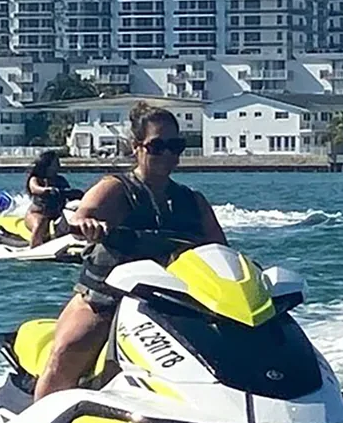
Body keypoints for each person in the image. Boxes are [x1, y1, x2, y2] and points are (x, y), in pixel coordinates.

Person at [33, 102, 226, 401]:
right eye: (157, 146)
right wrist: (88, 225)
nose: (167, 155)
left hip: (174, 304)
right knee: (70, 350)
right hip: (107, 298)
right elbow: (82, 213)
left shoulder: (192, 201)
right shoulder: (116, 188)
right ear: (136, 148)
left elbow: (220, 250)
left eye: (175, 146)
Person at [24, 150, 81, 248]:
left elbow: (67, 191)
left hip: (56, 214)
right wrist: (46, 190)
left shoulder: (61, 180)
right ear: (48, 164)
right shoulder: (36, 179)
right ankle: (33, 247)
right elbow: (34, 189)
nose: (59, 165)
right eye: (56, 162)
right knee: (40, 223)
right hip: (37, 214)